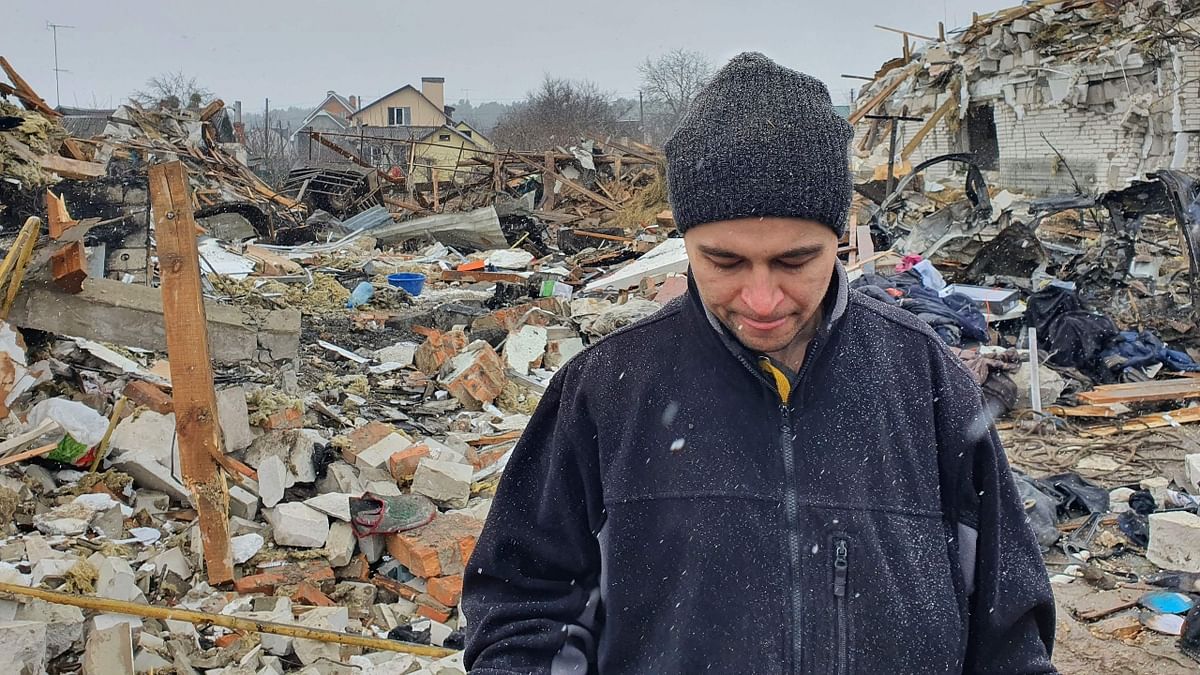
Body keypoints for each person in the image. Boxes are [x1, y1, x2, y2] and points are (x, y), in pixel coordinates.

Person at [461, 52, 1056, 674]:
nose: (763, 300)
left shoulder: (922, 381)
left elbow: (1009, 628)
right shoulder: (608, 391)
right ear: (683, 242)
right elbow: (524, 611)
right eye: (725, 262)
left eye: (796, 261)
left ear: (843, 235)